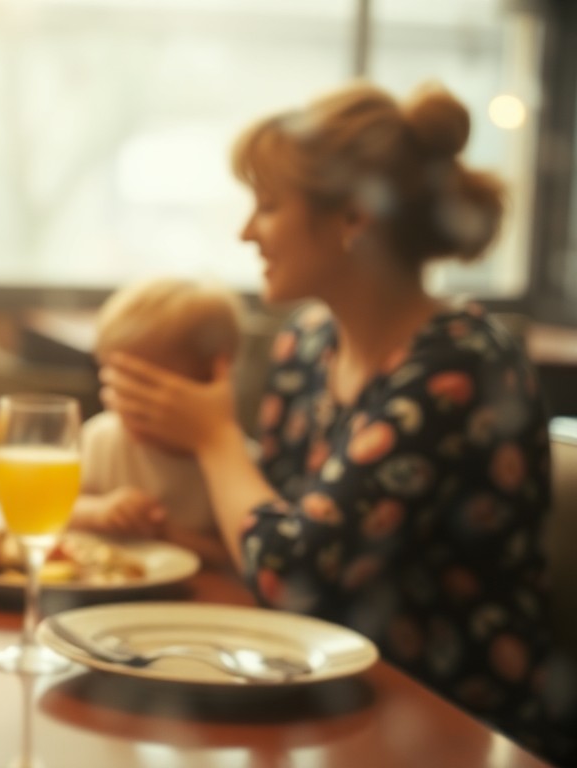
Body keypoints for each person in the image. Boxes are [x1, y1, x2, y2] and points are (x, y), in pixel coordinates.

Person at [99, 81, 573, 762]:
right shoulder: (308, 343)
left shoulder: (460, 369)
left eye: (268, 205)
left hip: (454, 727)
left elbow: (294, 580)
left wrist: (213, 436)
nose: (246, 231)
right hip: (331, 700)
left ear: (353, 217)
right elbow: (270, 525)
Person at [71, 277, 241, 567]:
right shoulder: (101, 438)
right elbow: (54, 513)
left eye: (142, 386)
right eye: (114, 383)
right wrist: (99, 512)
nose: (122, 402)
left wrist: (165, 534)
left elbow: (234, 557)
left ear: (210, 379)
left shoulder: (233, 464)